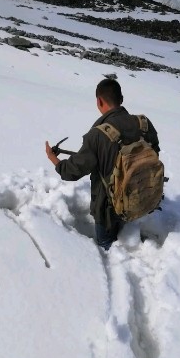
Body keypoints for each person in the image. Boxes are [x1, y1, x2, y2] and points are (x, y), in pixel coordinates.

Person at [45, 79, 160, 250]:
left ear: (99, 101)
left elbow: (72, 172)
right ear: (121, 99)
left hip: (108, 209)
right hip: (141, 197)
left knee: (106, 247)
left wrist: (53, 159)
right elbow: (155, 152)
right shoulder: (143, 124)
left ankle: (109, 260)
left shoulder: (97, 135)